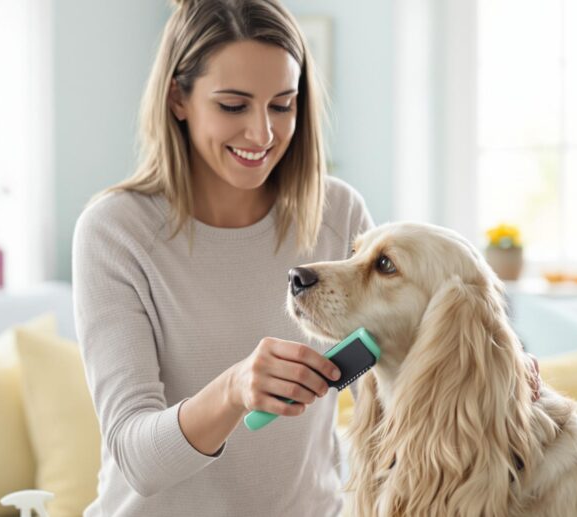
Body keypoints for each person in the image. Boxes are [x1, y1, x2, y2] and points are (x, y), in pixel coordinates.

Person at [71, 0, 371, 515]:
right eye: (233, 106)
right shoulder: (116, 231)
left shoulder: (337, 213)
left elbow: (384, 392)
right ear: (178, 99)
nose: (263, 134)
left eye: (283, 105)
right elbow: (137, 459)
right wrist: (235, 389)